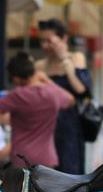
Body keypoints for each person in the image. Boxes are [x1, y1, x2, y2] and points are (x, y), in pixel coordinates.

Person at [0, 53, 75, 168]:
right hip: (47, 159)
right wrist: (48, 81)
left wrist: (4, 101)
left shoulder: (17, 95)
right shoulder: (52, 92)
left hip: (22, 159)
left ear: (16, 78)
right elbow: (70, 100)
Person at [36, 19, 90, 174]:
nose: (45, 46)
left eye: (49, 41)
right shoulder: (39, 66)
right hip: (45, 127)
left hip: (70, 127)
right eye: (42, 41)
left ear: (64, 38)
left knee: (70, 173)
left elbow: (81, 89)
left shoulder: (76, 58)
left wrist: (64, 58)